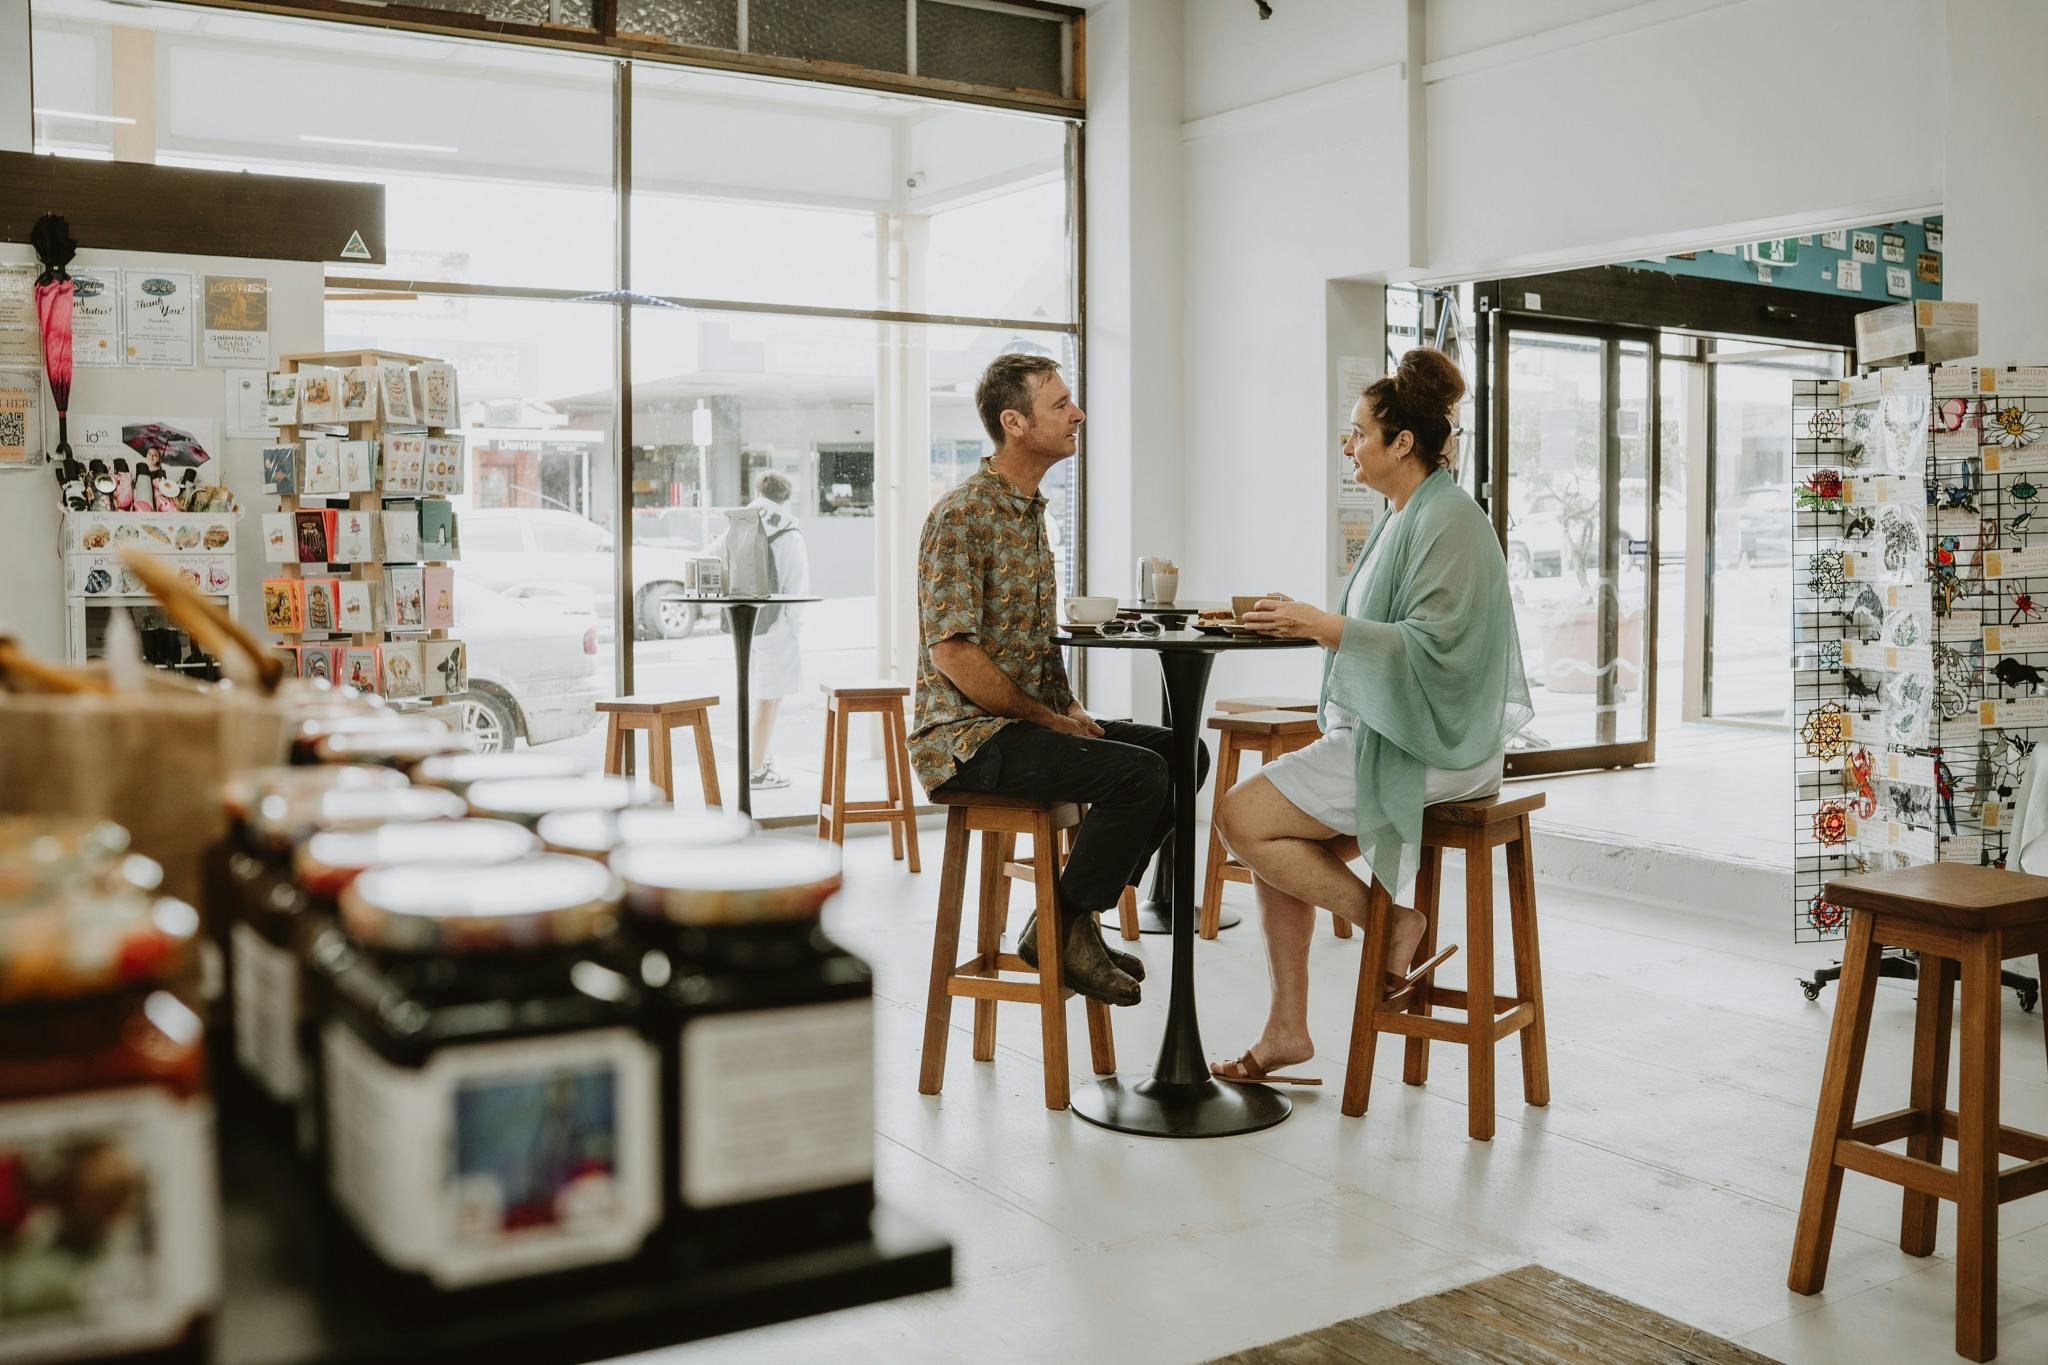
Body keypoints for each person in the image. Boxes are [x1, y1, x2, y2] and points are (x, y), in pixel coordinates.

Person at [1210, 348, 1531, 1085]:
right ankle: (1287, 1030)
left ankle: (1395, 925)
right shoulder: (1406, 514)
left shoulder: (1448, 518)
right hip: (1400, 733)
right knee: (1275, 836)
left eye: (1357, 432)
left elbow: (1434, 647)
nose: (1346, 445)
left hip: (1436, 743)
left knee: (1242, 814)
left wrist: (1319, 624)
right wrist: (1306, 620)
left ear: (1402, 444)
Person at [910, 353, 1208, 1007]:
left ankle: (1067, 919)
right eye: (1060, 404)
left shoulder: (1030, 517)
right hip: (965, 740)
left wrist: (1068, 705)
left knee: (1184, 753)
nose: (1077, 413)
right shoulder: (962, 518)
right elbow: (953, 654)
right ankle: (1070, 924)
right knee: (1142, 774)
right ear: (1014, 423)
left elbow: (1037, 648)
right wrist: (1048, 719)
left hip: (1021, 724)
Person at [743, 470, 810, 790]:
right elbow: (797, 588)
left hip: (744, 622)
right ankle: (755, 770)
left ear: (758, 490)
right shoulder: (788, 531)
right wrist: (793, 630)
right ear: (787, 497)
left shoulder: (741, 521)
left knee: (756, 695)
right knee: (768, 700)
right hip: (775, 625)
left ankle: (757, 758)